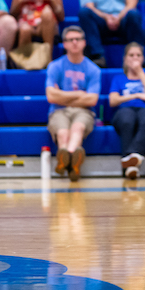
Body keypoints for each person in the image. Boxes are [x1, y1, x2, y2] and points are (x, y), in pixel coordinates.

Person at [45, 26, 101, 181]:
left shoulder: (93, 69)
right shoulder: (55, 66)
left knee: (78, 128)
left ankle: (65, 159)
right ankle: (73, 162)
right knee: (63, 132)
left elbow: (92, 100)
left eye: (78, 39)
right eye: (71, 40)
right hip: (58, 110)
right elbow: (51, 96)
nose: (75, 43)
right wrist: (78, 94)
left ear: (84, 43)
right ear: (64, 44)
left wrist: (61, 95)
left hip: (84, 111)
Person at [109, 43, 145, 179]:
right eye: (131, 55)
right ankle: (133, 162)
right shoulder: (118, 78)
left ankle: (130, 161)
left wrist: (140, 72)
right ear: (125, 59)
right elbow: (113, 100)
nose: (135, 58)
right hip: (125, 109)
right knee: (127, 120)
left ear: (143, 59)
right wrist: (137, 95)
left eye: (138, 55)